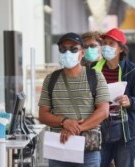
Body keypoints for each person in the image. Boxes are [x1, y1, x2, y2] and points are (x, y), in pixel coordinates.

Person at [38, 32, 110, 167]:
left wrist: (74, 129)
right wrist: (64, 121)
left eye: (73, 49)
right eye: (63, 49)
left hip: (88, 149)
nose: (68, 53)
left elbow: (104, 111)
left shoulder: (95, 76)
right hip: (59, 148)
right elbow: (43, 115)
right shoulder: (51, 79)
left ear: (82, 53)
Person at [93, 28, 135, 167]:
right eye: (104, 43)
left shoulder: (132, 70)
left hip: (127, 130)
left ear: (121, 49)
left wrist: (130, 101)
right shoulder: (93, 70)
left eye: (111, 44)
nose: (106, 46)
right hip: (100, 128)